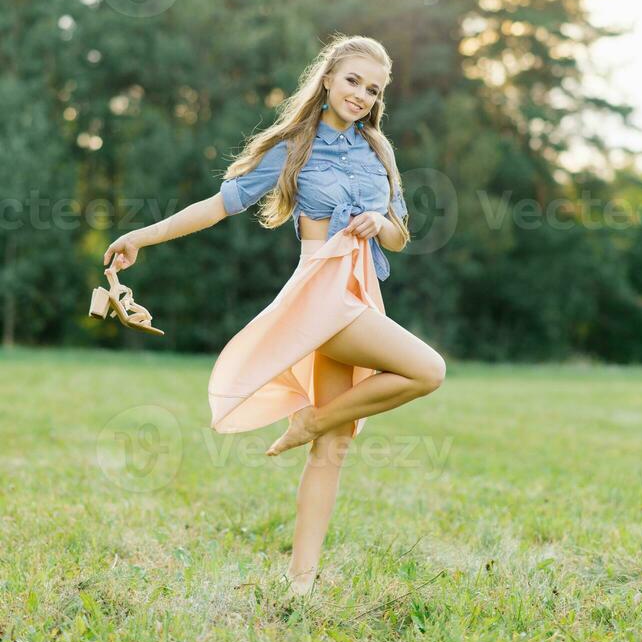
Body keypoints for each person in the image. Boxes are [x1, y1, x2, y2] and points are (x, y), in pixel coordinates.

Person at [103, 34, 447, 595]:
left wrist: (378, 225)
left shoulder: (379, 150)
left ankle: (301, 586)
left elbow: (400, 234)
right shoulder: (293, 147)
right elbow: (218, 206)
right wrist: (142, 235)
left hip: (358, 290)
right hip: (320, 293)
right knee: (428, 370)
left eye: (373, 89)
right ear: (329, 78)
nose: (361, 95)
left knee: (333, 445)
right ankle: (308, 419)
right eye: (353, 80)